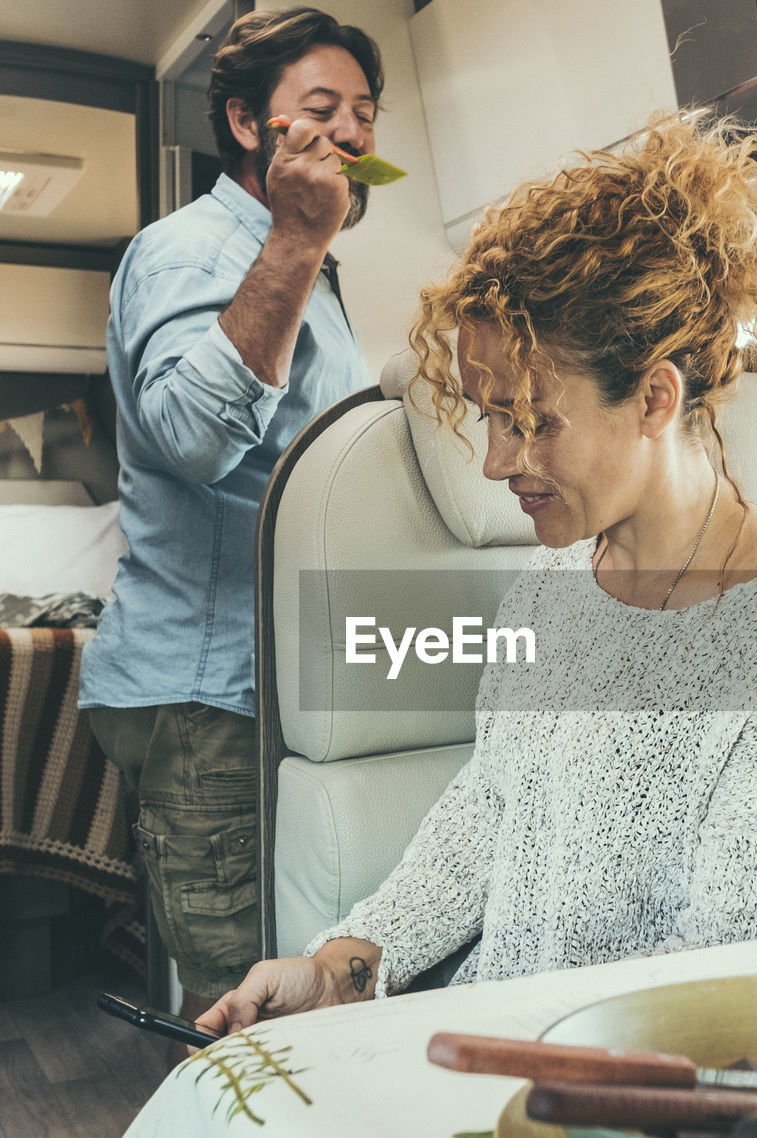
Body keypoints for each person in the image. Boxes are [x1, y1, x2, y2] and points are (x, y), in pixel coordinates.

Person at [197, 114, 757, 1038]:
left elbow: (728, 1005)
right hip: (495, 1059)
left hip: (610, 1111)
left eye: (532, 421)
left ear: (655, 398)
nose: (497, 463)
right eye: (488, 416)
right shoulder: (557, 585)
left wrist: (501, 1063)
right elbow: (491, 813)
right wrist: (345, 968)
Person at [79, 8, 385, 1020]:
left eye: (365, 113)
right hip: (212, 695)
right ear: (249, 124)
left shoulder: (310, 270)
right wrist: (300, 233)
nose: (350, 132)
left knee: (292, 983)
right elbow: (191, 435)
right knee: (238, 1012)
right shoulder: (195, 250)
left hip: (278, 683)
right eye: (321, 109)